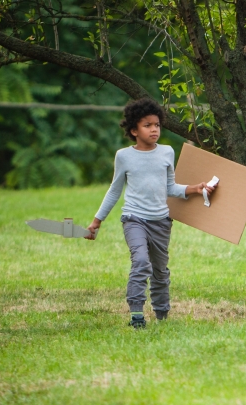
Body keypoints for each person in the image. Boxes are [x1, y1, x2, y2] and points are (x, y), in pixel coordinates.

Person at [85, 98, 215, 329]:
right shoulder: (124, 156)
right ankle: (136, 314)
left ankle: (162, 313)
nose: (154, 129)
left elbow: (169, 188)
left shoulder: (166, 152)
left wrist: (195, 189)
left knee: (160, 270)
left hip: (161, 222)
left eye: (157, 125)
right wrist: (97, 221)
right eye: (147, 125)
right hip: (134, 219)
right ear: (134, 130)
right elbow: (115, 191)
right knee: (141, 262)